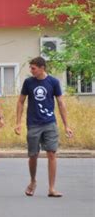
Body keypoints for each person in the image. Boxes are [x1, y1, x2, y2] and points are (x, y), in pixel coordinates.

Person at [15, 57, 73, 198]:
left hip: (50, 123)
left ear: (42, 68)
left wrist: (66, 125)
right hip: (33, 124)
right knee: (33, 155)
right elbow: (21, 102)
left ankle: (52, 188)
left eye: (33, 68)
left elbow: (60, 103)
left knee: (52, 153)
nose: (31, 70)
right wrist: (18, 123)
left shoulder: (53, 82)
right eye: (31, 68)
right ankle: (33, 181)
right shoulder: (29, 82)